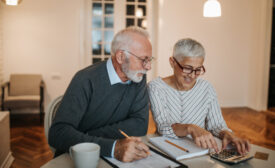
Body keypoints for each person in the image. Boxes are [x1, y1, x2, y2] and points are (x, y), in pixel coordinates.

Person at [49, 26, 153, 162]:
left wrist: (88, 136)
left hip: (114, 157)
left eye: (150, 60)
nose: (148, 67)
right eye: (143, 59)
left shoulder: (138, 78)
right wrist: (112, 147)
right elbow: (58, 133)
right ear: (121, 56)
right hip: (78, 158)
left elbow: (140, 125)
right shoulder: (85, 79)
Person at [148, 38, 250, 154]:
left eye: (198, 70)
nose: (192, 76)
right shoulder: (156, 87)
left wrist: (227, 134)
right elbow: (163, 127)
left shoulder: (206, 88)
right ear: (172, 62)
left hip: (200, 149)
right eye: (187, 68)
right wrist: (190, 128)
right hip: (167, 149)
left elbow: (217, 125)